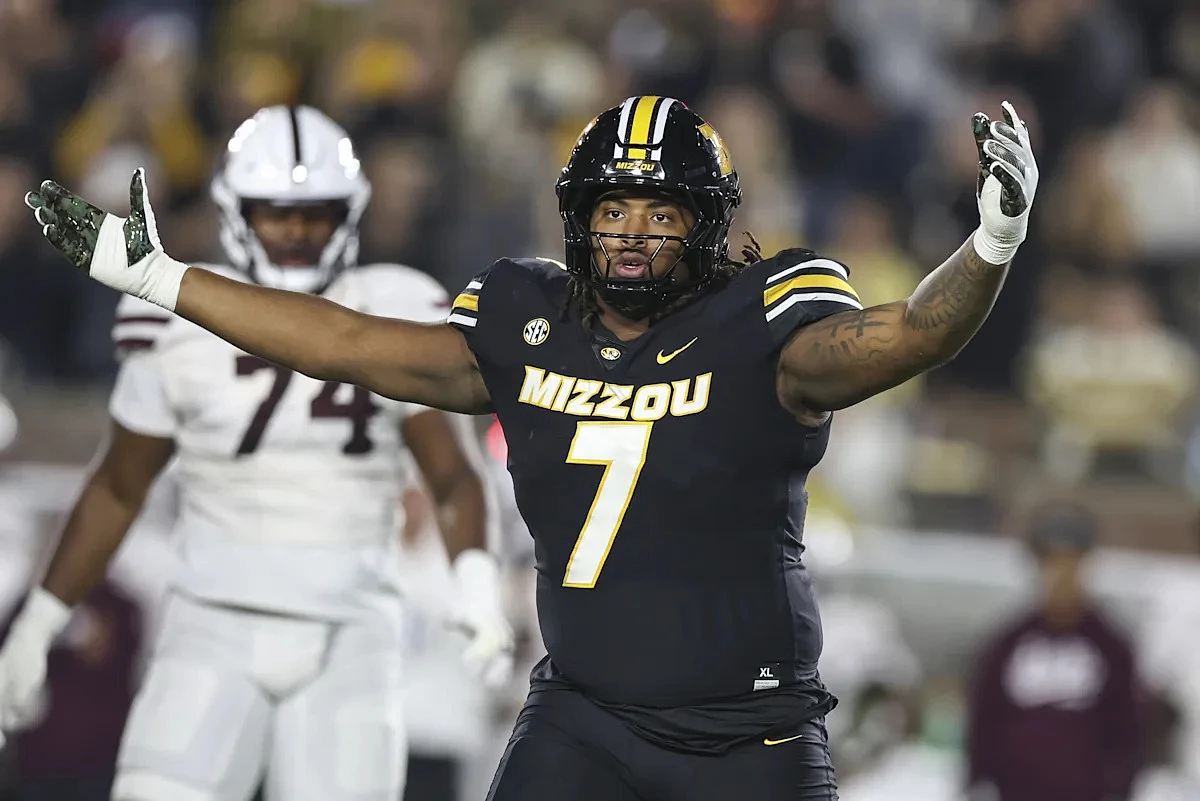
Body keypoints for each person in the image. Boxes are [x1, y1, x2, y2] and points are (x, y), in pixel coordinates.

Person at [16, 94, 1039, 800]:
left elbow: (916, 332)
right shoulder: (529, 319)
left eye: (660, 210)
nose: (632, 231)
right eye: (613, 207)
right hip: (584, 716)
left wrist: (991, 241)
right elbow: (345, 342)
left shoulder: (764, 321)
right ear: (579, 218)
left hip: (749, 734)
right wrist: (161, 278)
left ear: (705, 223)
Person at [0, 105, 514, 801]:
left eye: (315, 214)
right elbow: (119, 485)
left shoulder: (394, 300)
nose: (296, 234)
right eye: (276, 214)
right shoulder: (167, 309)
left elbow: (451, 475)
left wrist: (476, 585)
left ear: (350, 213)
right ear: (235, 212)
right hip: (213, 619)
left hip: (351, 628)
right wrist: (40, 621)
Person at [965, 503, 1144, 801]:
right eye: (1052, 563)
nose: (1061, 575)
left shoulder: (1111, 647)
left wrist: (1119, 787)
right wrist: (978, 780)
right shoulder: (1008, 643)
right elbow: (984, 720)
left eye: (1071, 563)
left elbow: (1127, 728)